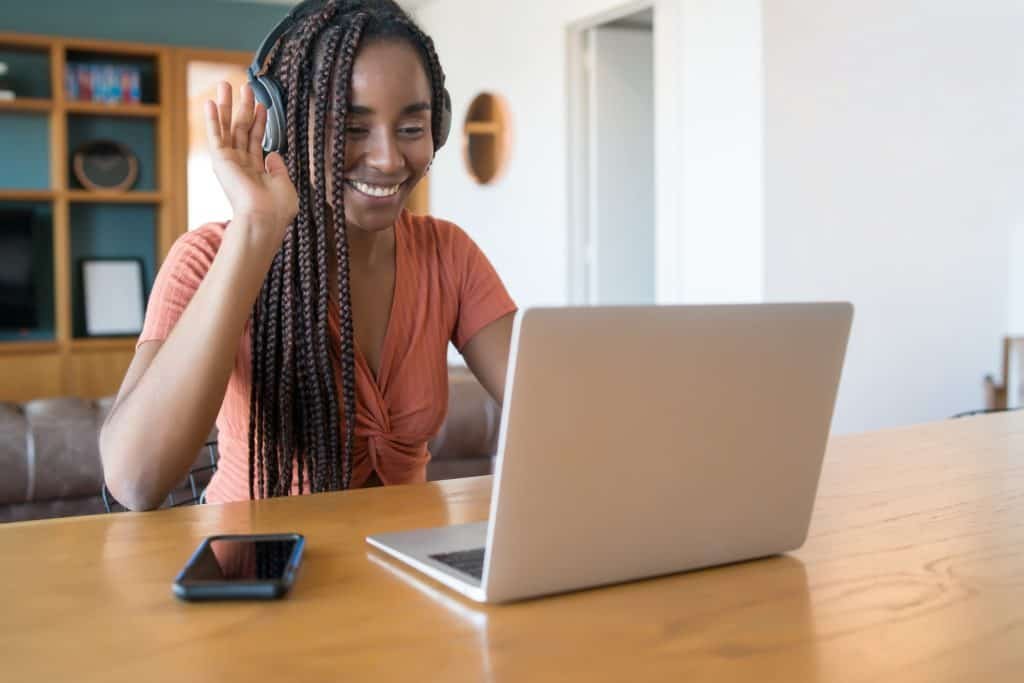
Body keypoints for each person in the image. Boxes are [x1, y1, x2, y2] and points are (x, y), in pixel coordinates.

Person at [99, 0, 516, 510]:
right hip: (259, 574)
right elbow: (135, 481)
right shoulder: (206, 257)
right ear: (281, 127)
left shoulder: (448, 254)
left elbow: (549, 408)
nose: (387, 159)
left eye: (411, 129)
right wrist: (255, 231)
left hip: (402, 573)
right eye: (352, 128)